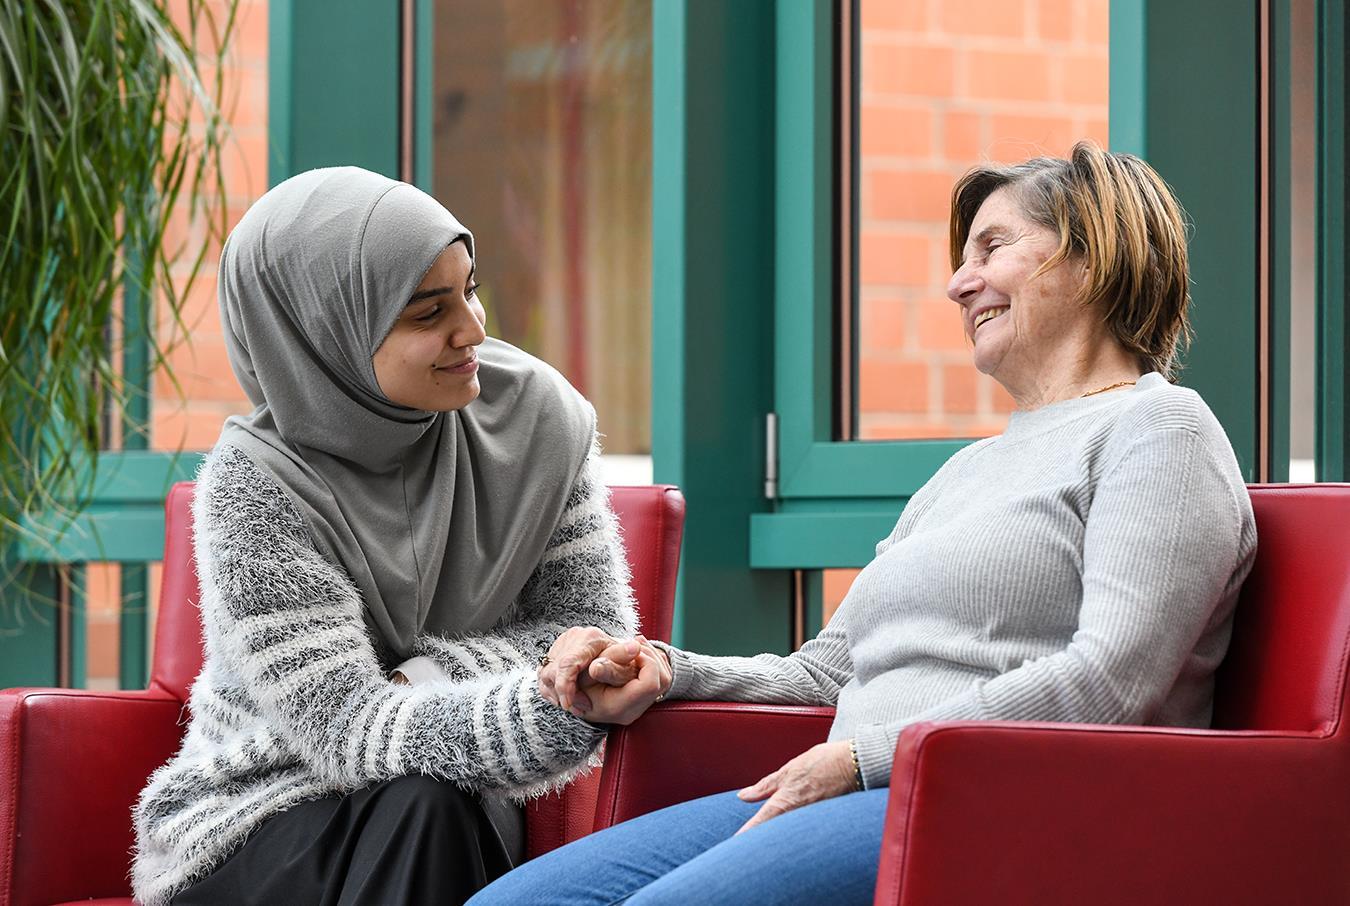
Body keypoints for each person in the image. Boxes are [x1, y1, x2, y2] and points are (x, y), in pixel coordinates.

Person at [470, 141, 1260, 906]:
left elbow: (1110, 680)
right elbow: (827, 673)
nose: (960, 283)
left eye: (992, 247)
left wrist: (863, 759)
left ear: (1093, 259)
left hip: (1001, 802)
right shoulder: (969, 470)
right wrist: (669, 670)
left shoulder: (1161, 431)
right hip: (862, 783)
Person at [130, 166, 652, 906]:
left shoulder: (539, 423)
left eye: (469, 289)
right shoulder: (257, 483)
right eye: (426, 312)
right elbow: (345, 729)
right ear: (325, 334)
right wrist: (541, 690)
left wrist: (426, 677)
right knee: (419, 802)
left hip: (446, 812)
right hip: (254, 820)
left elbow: (590, 640)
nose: (472, 330)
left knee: (424, 801)